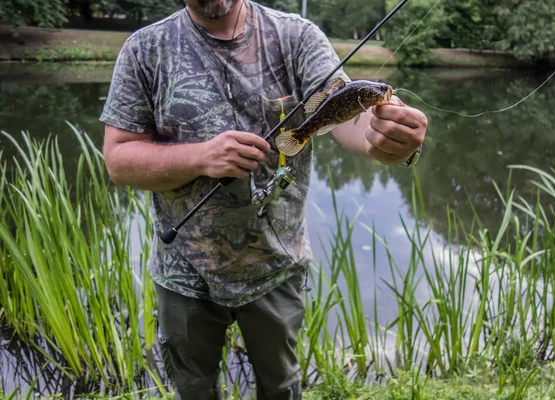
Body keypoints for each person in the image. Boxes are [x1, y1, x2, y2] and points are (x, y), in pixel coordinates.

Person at [100, 0, 428, 398]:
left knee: (280, 387)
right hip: (183, 271)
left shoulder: (297, 36)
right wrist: (201, 157)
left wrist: (385, 141)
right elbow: (119, 160)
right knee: (193, 389)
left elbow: (348, 120)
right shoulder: (144, 49)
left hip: (277, 265)